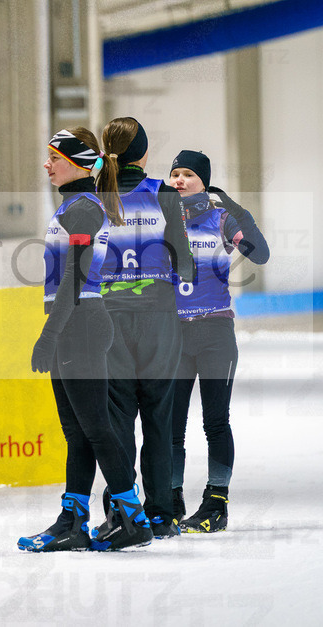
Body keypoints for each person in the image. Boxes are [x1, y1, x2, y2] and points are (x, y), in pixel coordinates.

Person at [21, 128, 152, 552]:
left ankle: (133, 518)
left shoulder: (82, 209)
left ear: (76, 163)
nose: (47, 165)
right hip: (74, 324)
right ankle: (73, 519)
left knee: (96, 429)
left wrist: (49, 335)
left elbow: (75, 278)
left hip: (80, 324)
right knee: (77, 432)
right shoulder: (74, 206)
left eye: (54, 157)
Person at [94, 117, 194, 540]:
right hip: (158, 318)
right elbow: (185, 260)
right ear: (146, 154)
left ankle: (123, 509)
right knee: (158, 418)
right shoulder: (164, 194)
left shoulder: (94, 195)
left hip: (108, 319)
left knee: (117, 418)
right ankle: (162, 513)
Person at [167, 150, 269, 533]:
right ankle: (171, 499)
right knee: (171, 425)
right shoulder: (162, 221)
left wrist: (235, 208)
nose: (179, 179)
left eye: (188, 174)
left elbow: (260, 253)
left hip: (214, 334)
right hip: (174, 335)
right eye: (174, 173)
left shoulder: (221, 220)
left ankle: (216, 503)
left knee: (215, 421)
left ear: (203, 182)